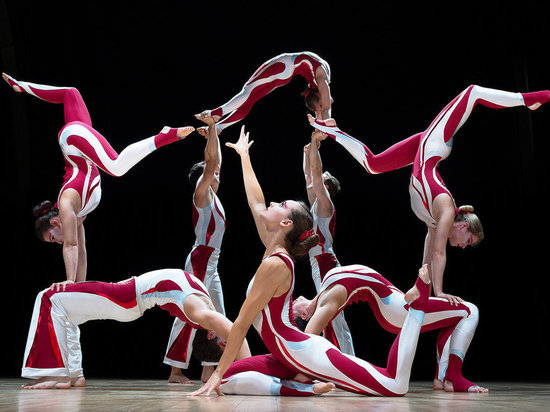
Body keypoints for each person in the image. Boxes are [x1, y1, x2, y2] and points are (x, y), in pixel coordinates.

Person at [189, 126, 432, 397]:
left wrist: (217, 372)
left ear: (285, 223)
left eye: (280, 203)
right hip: (285, 356)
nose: (271, 202)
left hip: (306, 353)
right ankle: (302, 384)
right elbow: (255, 202)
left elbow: (242, 323)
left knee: (394, 385)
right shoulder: (272, 248)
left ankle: (417, 306)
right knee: (231, 378)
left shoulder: (276, 264)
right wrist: (244, 156)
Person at [308, 85, 550, 304]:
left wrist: (422, 287)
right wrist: (440, 292)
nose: (463, 248)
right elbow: (438, 253)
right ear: (464, 227)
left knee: (372, 165)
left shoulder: (434, 223)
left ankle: (333, 130)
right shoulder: (445, 209)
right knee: (473, 93)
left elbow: (427, 260)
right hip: (435, 144)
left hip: (423, 152)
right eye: (468, 242)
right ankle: (531, 98)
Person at [3, 73, 194, 291]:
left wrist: (67, 281)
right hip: (80, 145)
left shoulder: (66, 204)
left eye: (52, 238)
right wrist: (77, 288)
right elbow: (82, 252)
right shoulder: (76, 218)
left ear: (54, 223)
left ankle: (164, 136)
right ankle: (22, 87)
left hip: (72, 141)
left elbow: (71, 246)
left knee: (117, 167)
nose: (57, 242)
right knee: (71, 93)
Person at [21, 268, 251, 389]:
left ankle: (53, 374)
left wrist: (250, 374)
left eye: (224, 344)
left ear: (211, 333)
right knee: (66, 314)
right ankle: (73, 374)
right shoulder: (204, 305)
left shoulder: (200, 312)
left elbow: (237, 332)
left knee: (49, 297)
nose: (228, 342)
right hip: (127, 298)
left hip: (126, 297)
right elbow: (234, 333)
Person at [293, 264, 487, 392]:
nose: (291, 302)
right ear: (304, 315)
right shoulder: (327, 301)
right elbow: (308, 344)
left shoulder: (323, 292)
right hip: (396, 307)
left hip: (392, 303)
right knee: (470, 311)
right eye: (290, 312)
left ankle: (442, 378)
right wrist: (299, 379)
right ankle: (453, 377)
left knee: (455, 317)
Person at [164, 114, 227, 384]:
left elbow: (217, 162)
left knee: (218, 315)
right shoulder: (201, 195)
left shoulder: (214, 196)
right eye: (212, 173)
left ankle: (208, 369)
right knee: (189, 312)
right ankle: (175, 371)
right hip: (201, 260)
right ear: (203, 177)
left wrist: (215, 135)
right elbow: (212, 162)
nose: (217, 174)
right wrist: (212, 127)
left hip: (211, 262)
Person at [302, 131, 353, 355]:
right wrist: (308, 153)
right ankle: (342, 359)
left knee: (332, 314)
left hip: (324, 262)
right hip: (321, 262)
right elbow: (308, 175)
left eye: (321, 179)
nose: (315, 180)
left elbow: (314, 171)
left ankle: (345, 361)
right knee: (330, 313)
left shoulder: (325, 203)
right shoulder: (317, 203)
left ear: (327, 188)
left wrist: (315, 143)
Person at [196, 51, 332, 134]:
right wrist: (323, 129)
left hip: (284, 65)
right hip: (285, 73)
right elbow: (322, 109)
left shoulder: (320, 79)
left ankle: (215, 113)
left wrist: (324, 130)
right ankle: (219, 127)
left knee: (248, 91)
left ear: (319, 94)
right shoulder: (319, 82)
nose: (329, 99)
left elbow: (324, 108)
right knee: (251, 99)